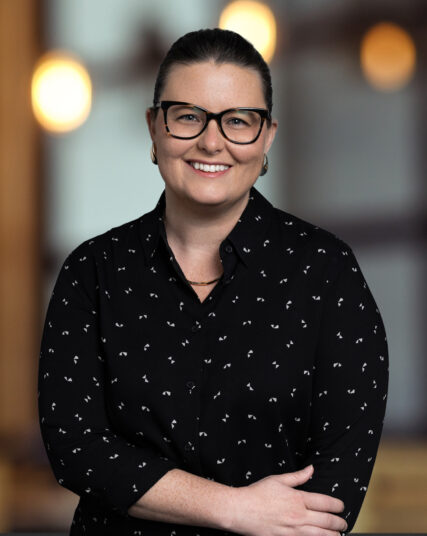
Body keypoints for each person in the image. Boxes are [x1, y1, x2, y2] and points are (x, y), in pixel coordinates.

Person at [38, 28, 389, 536]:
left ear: (267, 136)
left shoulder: (327, 272)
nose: (211, 141)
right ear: (154, 128)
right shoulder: (92, 271)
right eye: (187, 117)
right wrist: (233, 508)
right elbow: (76, 449)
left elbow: (333, 491)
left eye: (238, 122)